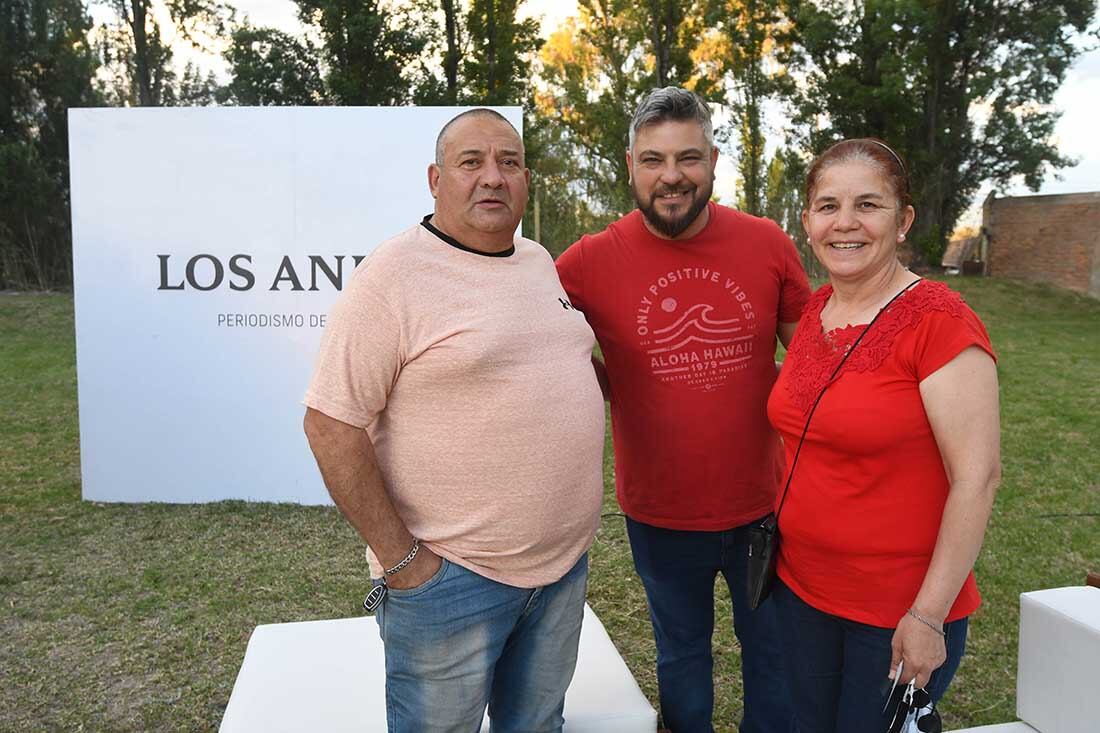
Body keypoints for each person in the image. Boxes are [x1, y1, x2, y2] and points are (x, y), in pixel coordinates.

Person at [301, 108, 606, 733]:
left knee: (537, 725)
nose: (493, 177)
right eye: (472, 163)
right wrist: (403, 561)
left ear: (525, 180)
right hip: (450, 582)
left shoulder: (537, 260)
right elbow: (330, 424)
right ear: (436, 179)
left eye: (509, 163)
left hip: (560, 570)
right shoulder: (392, 277)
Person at [555, 86, 810, 732]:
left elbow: (815, 359)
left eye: (688, 157)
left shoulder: (766, 243)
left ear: (715, 161)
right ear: (630, 164)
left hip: (767, 507)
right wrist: (603, 383)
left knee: (774, 661)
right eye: (654, 159)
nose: (672, 176)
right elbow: (527, 336)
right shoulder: (587, 262)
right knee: (684, 660)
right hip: (661, 513)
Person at [766, 138, 1001, 733]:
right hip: (802, 591)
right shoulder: (818, 309)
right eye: (827, 206)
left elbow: (978, 477)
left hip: (896, 610)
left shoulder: (940, 325)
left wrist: (928, 616)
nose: (845, 223)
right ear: (807, 220)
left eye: (868, 205)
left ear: (904, 221)